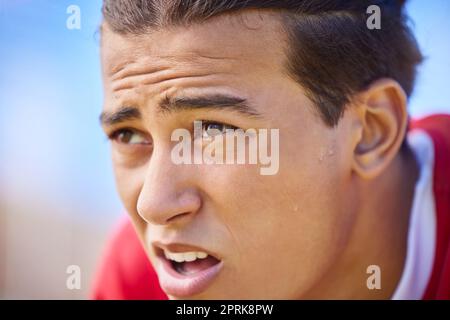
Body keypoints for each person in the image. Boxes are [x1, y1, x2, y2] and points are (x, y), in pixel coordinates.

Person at [92, 0, 450, 299]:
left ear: (372, 132)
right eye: (128, 135)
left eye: (213, 131)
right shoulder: (140, 276)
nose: (153, 206)